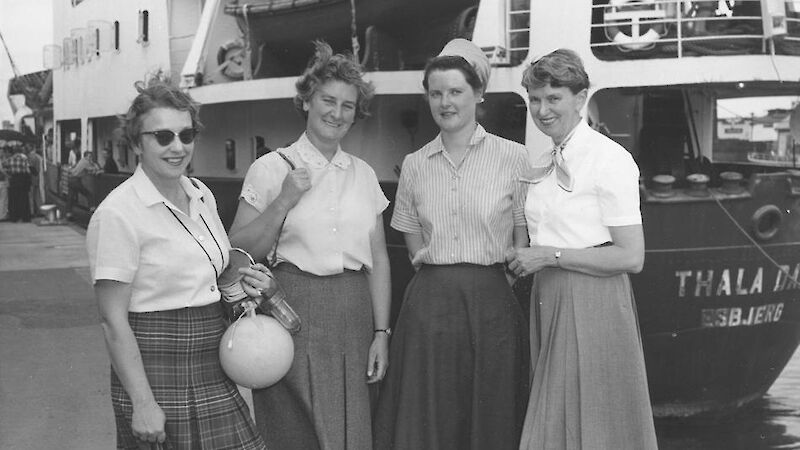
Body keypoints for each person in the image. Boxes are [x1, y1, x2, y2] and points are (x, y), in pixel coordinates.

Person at [85, 76, 267, 450]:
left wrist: (242, 284)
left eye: (186, 135)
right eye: (163, 137)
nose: (177, 147)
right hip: (155, 368)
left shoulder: (200, 194)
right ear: (136, 142)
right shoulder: (118, 213)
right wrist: (143, 403)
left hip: (211, 363)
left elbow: (213, 271)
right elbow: (112, 320)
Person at [228, 40, 391, 450]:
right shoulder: (269, 168)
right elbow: (236, 253)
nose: (336, 113)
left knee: (350, 427)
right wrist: (284, 199)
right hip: (292, 306)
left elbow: (380, 260)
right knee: (293, 428)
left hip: (354, 311)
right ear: (306, 100)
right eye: (327, 100)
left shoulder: (364, 175)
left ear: (357, 113)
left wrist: (381, 332)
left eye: (348, 106)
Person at [373, 38, 530, 450]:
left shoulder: (514, 158)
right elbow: (413, 243)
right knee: (430, 416)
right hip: (429, 305)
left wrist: (494, 283)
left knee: (490, 414)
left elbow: (522, 238)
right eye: (436, 93)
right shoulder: (414, 165)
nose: (445, 102)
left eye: (456, 91)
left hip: (492, 303)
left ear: (478, 94)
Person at [507, 49, 657, 449]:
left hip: (594, 298)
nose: (542, 110)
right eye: (535, 99)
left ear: (580, 97)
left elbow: (631, 256)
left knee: (594, 422)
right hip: (549, 297)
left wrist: (551, 256)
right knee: (558, 424)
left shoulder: (610, 159)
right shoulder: (543, 161)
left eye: (553, 98)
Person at [2, 144, 32, 222]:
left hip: (13, 180)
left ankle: (14, 217)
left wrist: (8, 174)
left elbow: (3, 166)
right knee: (24, 199)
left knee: (14, 199)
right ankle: (25, 218)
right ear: (20, 152)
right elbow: (28, 171)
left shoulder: (9, 159)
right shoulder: (24, 159)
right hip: (22, 179)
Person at [66, 151, 101, 219]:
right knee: (88, 194)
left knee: (70, 197)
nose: (90, 158)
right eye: (89, 156)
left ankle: (68, 214)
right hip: (76, 180)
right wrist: (96, 167)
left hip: (70, 179)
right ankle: (92, 209)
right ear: (86, 156)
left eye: (91, 157)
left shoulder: (82, 160)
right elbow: (94, 169)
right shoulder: (86, 162)